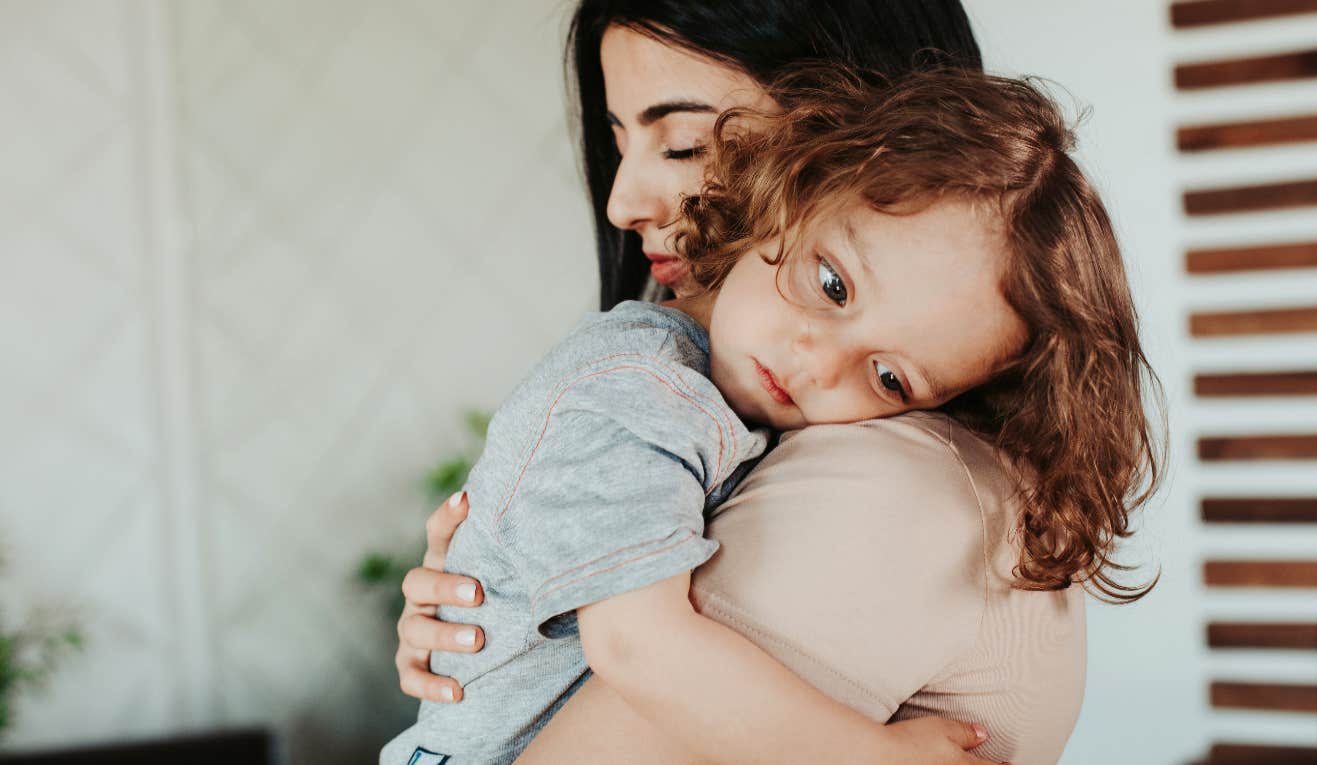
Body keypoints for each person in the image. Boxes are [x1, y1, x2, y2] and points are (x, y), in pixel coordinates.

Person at [394, 4, 1162, 764]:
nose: (621, 205)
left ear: (825, 140)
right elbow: (634, 642)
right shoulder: (642, 386)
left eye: (686, 144)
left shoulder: (888, 476)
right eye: (829, 283)